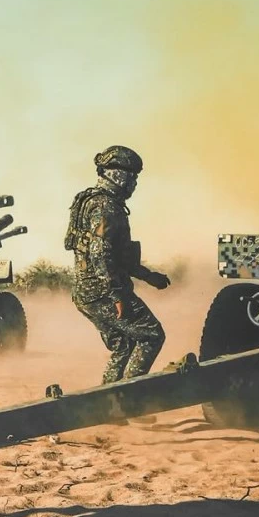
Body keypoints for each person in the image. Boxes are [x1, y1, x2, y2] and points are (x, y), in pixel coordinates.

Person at [65, 145, 170, 384]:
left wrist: (148, 276)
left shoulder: (89, 201)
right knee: (152, 335)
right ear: (117, 174)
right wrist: (116, 295)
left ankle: (109, 403)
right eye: (132, 176)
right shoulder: (106, 206)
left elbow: (118, 257)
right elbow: (100, 253)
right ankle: (128, 400)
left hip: (85, 292)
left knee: (124, 345)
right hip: (103, 293)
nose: (134, 182)